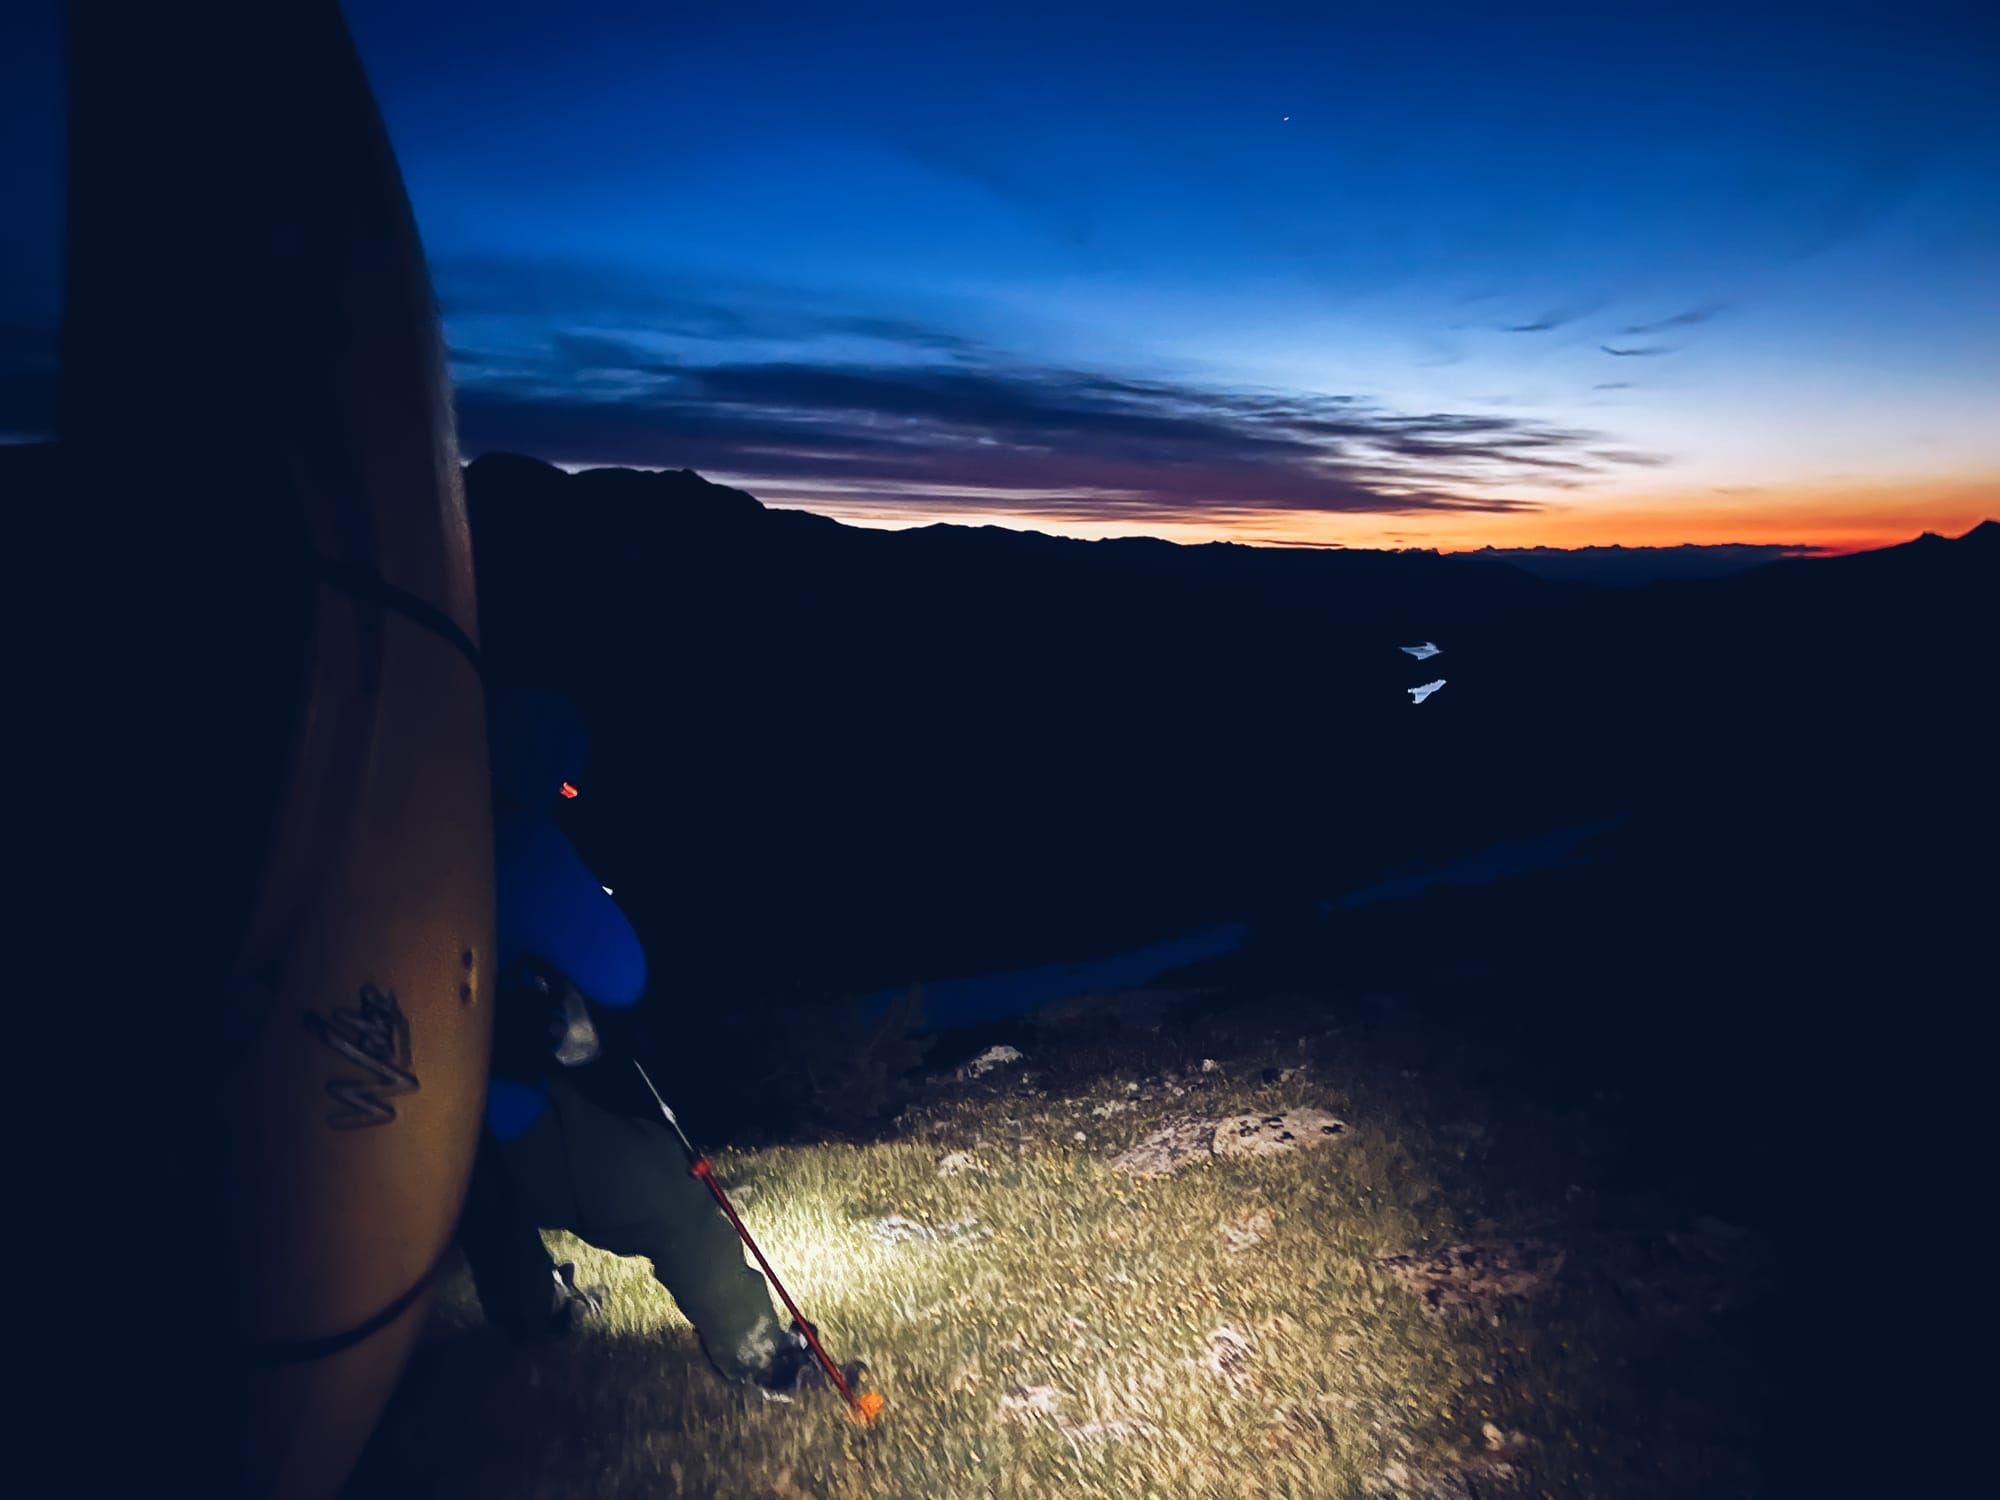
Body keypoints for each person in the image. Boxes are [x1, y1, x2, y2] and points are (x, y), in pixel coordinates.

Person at [456, 689, 841, 1391]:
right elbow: (621, 971)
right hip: (487, 1118)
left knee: (487, 1198)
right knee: (668, 1193)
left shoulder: (397, 828)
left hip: (383, 1130)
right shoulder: (512, 836)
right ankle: (764, 1356)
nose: (567, 789)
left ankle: (531, 1312)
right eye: (566, 778)